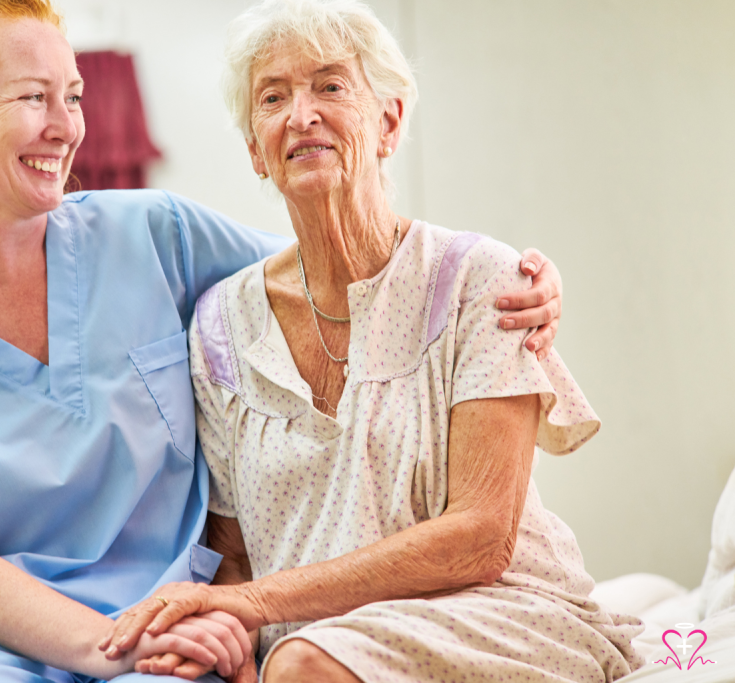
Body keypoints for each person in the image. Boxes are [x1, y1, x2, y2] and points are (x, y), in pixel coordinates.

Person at [0, 0, 564, 681]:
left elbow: (353, 267)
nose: (65, 125)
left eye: (73, 96)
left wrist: (518, 279)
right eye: (31, 98)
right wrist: (109, 644)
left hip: (173, 627)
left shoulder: (156, 237)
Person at [102, 1, 643, 682]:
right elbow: (232, 551)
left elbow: (482, 536)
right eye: (273, 97)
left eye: (330, 86)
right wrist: (232, 641)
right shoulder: (219, 326)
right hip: (317, 640)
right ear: (254, 150)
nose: (302, 114)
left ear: (388, 122)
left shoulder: (484, 280)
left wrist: (250, 604)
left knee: (303, 663)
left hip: (496, 611)